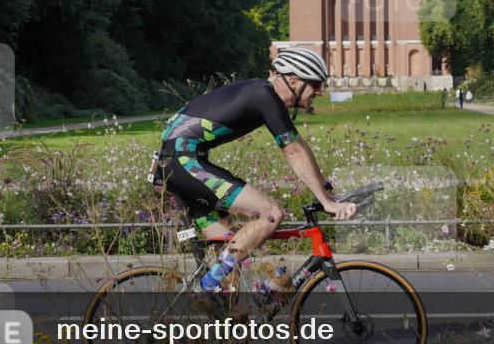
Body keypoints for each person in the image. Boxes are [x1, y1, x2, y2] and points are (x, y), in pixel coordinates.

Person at [151, 47, 357, 294]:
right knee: (270, 214)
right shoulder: (264, 95)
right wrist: (327, 204)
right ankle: (204, 290)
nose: (320, 91)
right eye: (315, 84)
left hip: (177, 163)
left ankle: (220, 316)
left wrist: (326, 191)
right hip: (181, 162)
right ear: (293, 81)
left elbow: (298, 144)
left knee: (229, 251)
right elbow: (292, 152)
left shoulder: (262, 93)